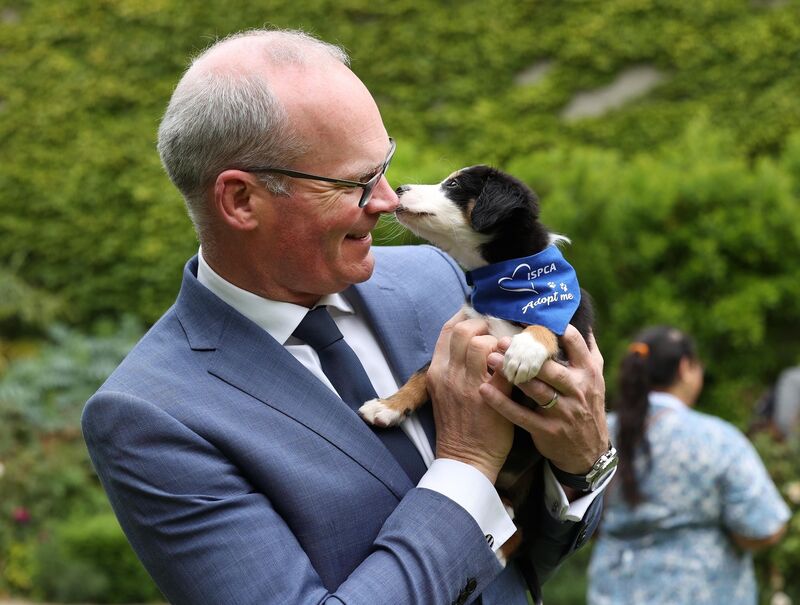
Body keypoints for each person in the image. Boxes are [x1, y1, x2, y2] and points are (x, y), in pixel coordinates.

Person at [82, 29, 612, 605]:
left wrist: (581, 464)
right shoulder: (149, 416)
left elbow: (532, 553)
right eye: (356, 183)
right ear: (240, 201)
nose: (387, 200)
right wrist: (467, 467)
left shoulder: (439, 274)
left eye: (383, 166)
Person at [588, 326, 790, 605]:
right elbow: (766, 527)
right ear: (685, 367)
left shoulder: (600, 434)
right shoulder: (716, 438)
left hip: (612, 592)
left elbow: (575, 514)